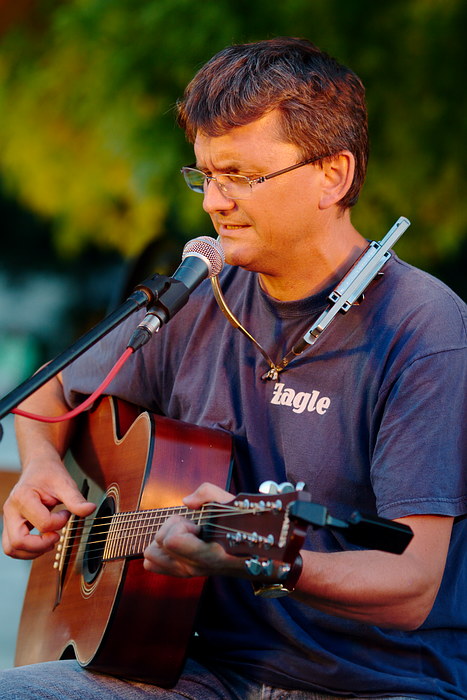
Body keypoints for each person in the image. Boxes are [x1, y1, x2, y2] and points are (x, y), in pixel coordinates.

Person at [1, 37, 466, 700]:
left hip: (372, 683)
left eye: (241, 177)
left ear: (332, 175)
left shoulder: (424, 330)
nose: (212, 203)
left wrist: (262, 558)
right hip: (193, 670)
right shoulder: (200, 296)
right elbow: (50, 385)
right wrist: (42, 469)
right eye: (204, 176)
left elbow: (414, 584)